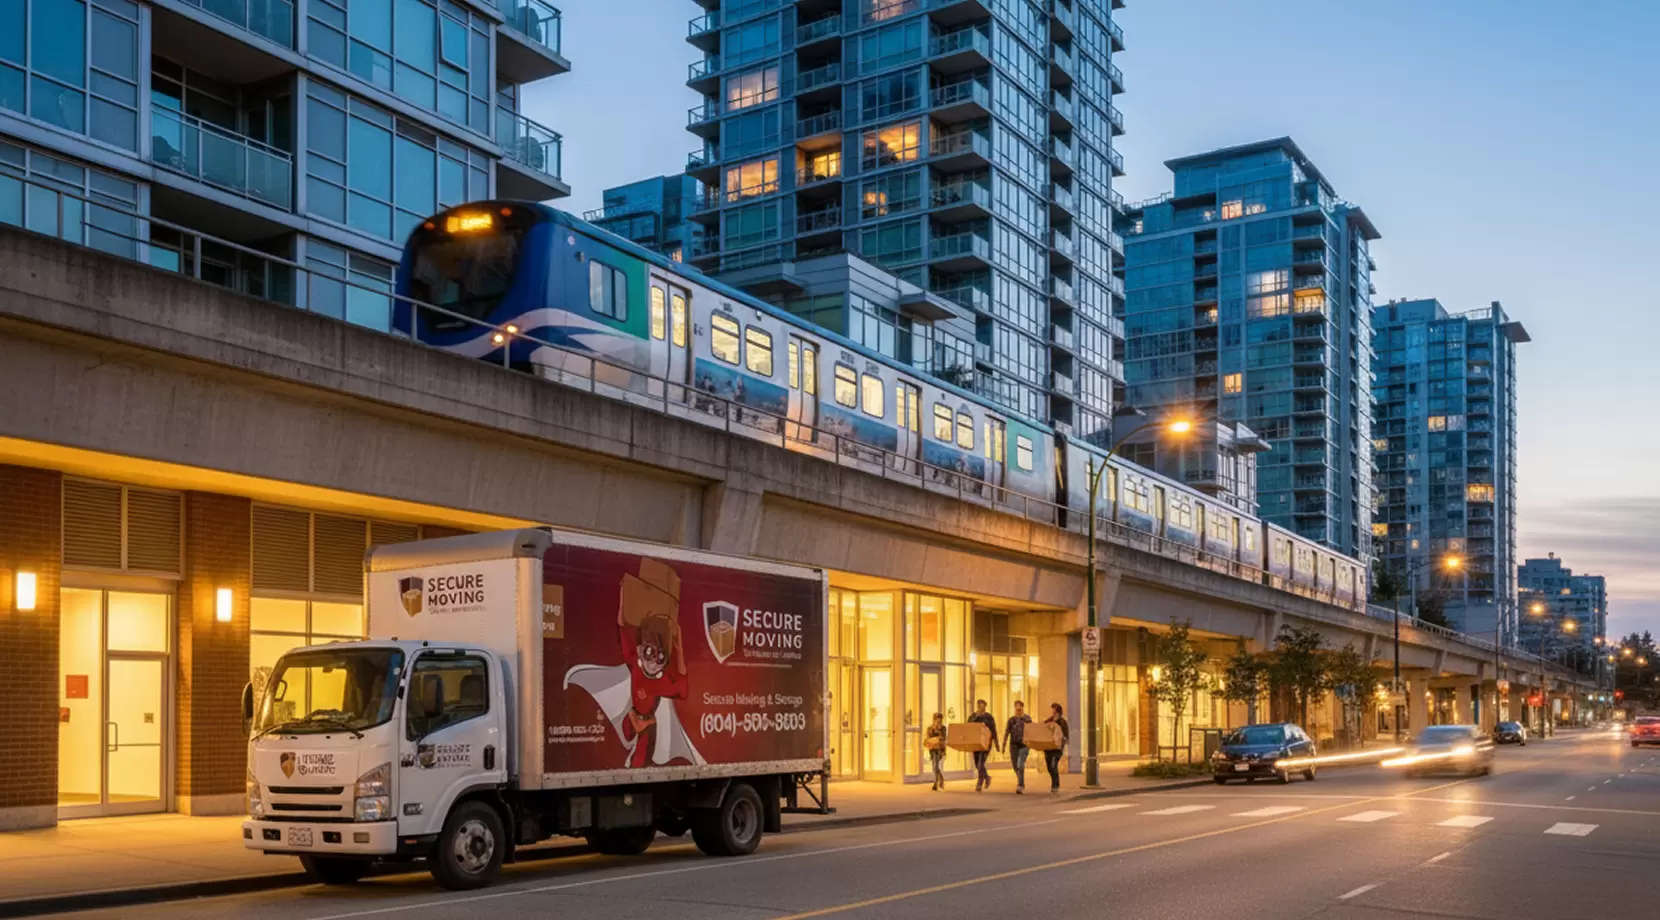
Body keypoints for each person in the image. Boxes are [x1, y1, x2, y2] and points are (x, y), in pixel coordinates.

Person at [1004, 700, 1034, 794]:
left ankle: (1020, 785)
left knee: (1020, 764)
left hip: (1024, 745)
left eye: (1020, 708)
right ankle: (1021, 780)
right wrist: (1003, 744)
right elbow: (1007, 732)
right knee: (1014, 765)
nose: (1018, 710)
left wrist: (1033, 742)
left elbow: (1032, 730)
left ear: (1022, 708)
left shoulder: (1027, 719)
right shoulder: (1011, 720)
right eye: (1017, 708)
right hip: (1014, 745)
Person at [969, 699, 999, 792]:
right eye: (979, 705)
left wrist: (996, 743)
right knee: (977, 764)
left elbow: (993, 730)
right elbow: (968, 726)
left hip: (986, 743)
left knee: (981, 763)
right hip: (976, 742)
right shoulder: (973, 716)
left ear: (985, 706)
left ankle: (980, 782)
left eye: (983, 705)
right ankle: (987, 777)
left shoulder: (989, 717)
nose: (981, 707)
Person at [1043, 703, 1071, 794]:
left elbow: (1066, 735)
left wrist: (1063, 741)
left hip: (1057, 749)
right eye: (1052, 710)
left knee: (1053, 764)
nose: (1053, 712)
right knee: (1049, 767)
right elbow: (1042, 729)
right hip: (1048, 748)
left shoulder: (1063, 722)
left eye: (1054, 710)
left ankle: (1055, 785)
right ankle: (1054, 782)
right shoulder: (1049, 721)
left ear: (1058, 712)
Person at [924, 712, 948, 790]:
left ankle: (936, 783)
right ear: (934, 719)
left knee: (935, 766)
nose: (939, 720)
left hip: (940, 749)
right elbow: (928, 737)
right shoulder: (930, 728)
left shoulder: (943, 728)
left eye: (940, 718)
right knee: (935, 766)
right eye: (937, 718)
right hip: (932, 749)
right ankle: (941, 779)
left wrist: (938, 730)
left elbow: (943, 738)